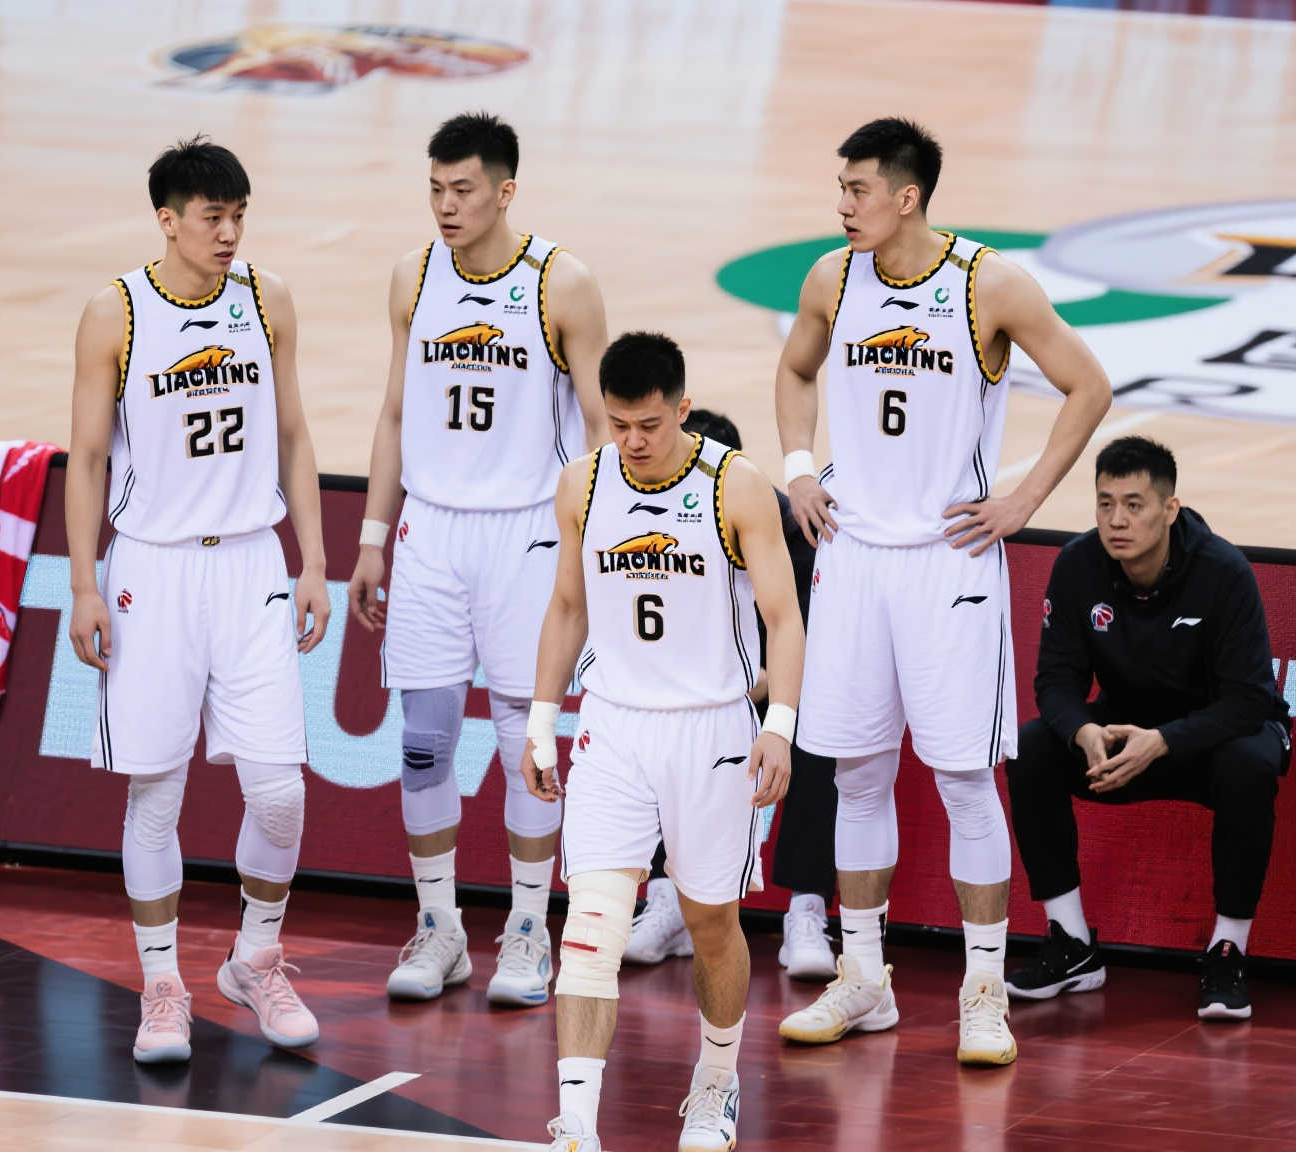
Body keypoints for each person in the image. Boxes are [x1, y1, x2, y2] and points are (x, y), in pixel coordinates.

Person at [773, 117, 1111, 1066]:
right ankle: (864, 979)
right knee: (856, 774)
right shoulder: (831, 279)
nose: (844, 206)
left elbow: (1088, 386)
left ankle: (982, 992)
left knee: (964, 779)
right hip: (853, 556)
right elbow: (795, 369)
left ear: (907, 196)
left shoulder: (987, 284)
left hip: (947, 560)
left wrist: (1023, 500)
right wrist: (798, 468)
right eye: (840, 189)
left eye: (858, 190)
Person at [64, 136, 329, 1063]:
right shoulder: (116, 311)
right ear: (168, 220)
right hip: (153, 568)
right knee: (157, 791)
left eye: (239, 216)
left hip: (252, 562)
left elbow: (293, 432)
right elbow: (86, 457)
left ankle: (255, 959)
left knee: (281, 791)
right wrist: (84, 583)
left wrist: (314, 560)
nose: (229, 233)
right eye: (213, 217)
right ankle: (163, 985)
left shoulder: (266, 297)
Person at [347, 112, 607, 1008]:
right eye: (435, 189)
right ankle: (440, 928)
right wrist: (371, 537)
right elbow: (394, 411)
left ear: (505, 191)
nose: (446, 206)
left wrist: (593, 550)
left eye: (462, 190)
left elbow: (600, 431)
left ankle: (529, 930)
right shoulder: (413, 275)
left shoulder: (562, 283)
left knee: (526, 744)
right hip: (430, 532)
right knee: (423, 746)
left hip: (527, 535)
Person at [524, 333, 803, 1152]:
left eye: (649, 425)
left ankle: (717, 1080)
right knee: (591, 926)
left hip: (710, 728)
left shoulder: (736, 486)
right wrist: (541, 721)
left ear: (683, 409)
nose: (634, 442)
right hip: (614, 725)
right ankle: (577, 1123)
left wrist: (780, 726)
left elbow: (784, 617)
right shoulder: (582, 483)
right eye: (619, 426)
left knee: (711, 924)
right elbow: (567, 607)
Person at [1003, 436, 1289, 1019]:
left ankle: (1228, 950)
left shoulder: (1223, 571)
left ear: (1169, 509)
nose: (1117, 520)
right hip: (1123, 735)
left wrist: (1163, 741)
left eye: (1134, 505)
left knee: (1250, 763)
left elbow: (1250, 699)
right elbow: (1054, 681)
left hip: (1213, 738)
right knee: (1031, 747)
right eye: (1106, 503)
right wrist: (1082, 730)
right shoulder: (1077, 565)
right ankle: (1071, 943)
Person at [623, 408, 837, 981]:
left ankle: (808, 909)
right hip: (697, 687)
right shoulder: (650, 523)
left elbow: (803, 638)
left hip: (778, 684)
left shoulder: (787, 527)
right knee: (652, 720)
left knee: (818, 728)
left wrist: (754, 688)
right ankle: (666, 899)